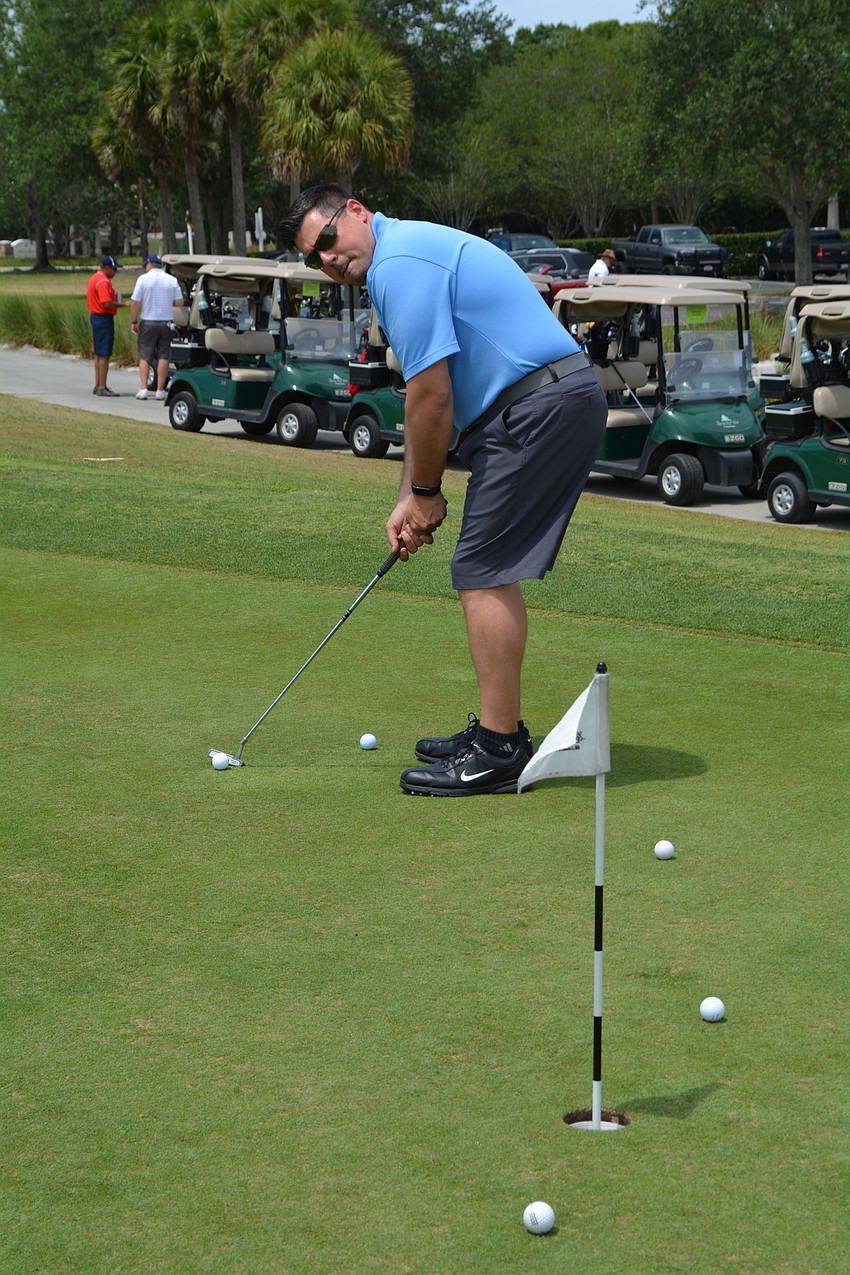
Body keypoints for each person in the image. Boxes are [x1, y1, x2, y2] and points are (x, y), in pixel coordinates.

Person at [279, 186, 607, 796]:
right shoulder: (399, 257)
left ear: (356, 211)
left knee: (481, 568)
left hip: (537, 405)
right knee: (483, 565)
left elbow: (433, 396)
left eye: (326, 239)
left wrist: (428, 494)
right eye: (312, 257)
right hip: (537, 404)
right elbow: (423, 398)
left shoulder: (399, 265)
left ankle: (499, 749)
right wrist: (409, 498)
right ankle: (499, 733)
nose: (327, 259)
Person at [129, 254, 185, 400]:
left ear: (149, 264)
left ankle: (143, 389)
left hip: (148, 321)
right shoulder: (171, 280)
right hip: (166, 322)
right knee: (163, 356)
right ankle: (160, 390)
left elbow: (135, 302)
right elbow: (179, 302)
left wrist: (133, 321)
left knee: (145, 356)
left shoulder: (143, 279)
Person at [86, 255, 127, 396]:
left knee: (99, 354)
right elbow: (107, 303)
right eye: (114, 269)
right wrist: (123, 304)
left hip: (96, 317)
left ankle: (98, 384)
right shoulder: (103, 281)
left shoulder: (94, 278)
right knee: (104, 354)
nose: (115, 272)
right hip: (103, 318)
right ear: (107, 268)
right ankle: (102, 387)